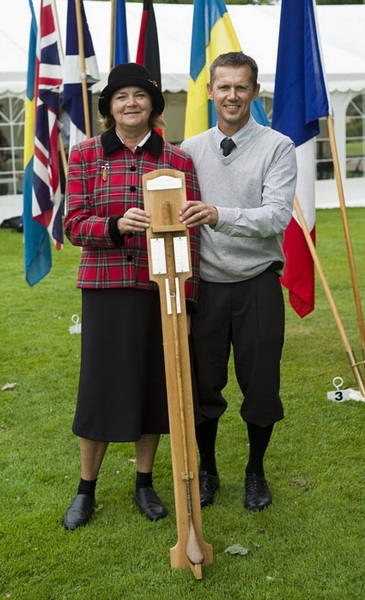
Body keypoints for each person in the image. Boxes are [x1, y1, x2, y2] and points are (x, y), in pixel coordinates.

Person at [63, 63, 200, 530]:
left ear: (152, 105)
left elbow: (192, 234)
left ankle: (145, 482)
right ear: (109, 108)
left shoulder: (178, 160)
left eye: (139, 96)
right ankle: (86, 489)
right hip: (103, 287)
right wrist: (116, 226)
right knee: (99, 388)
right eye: (120, 97)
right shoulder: (84, 156)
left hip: (160, 289)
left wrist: (187, 297)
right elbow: (72, 224)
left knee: (150, 387)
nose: (130, 104)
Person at [179, 52, 297, 512]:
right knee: (204, 386)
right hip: (205, 288)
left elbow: (277, 216)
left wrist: (218, 214)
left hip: (257, 285)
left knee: (261, 385)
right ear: (209, 92)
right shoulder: (188, 150)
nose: (231, 95)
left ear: (255, 91)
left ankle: (255, 471)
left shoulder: (277, 146)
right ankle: (208, 471)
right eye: (223, 86)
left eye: (240, 87)